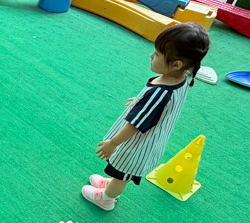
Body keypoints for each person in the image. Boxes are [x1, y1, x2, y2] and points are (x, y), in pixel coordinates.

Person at [81, 22, 210, 211]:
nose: (151, 56)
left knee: (122, 174)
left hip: (137, 146)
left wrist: (113, 143)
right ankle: (112, 186)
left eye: (157, 54)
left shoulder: (160, 93)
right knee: (121, 172)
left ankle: (106, 198)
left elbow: (134, 125)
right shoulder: (178, 79)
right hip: (150, 140)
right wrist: (140, 102)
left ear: (176, 64)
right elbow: (159, 107)